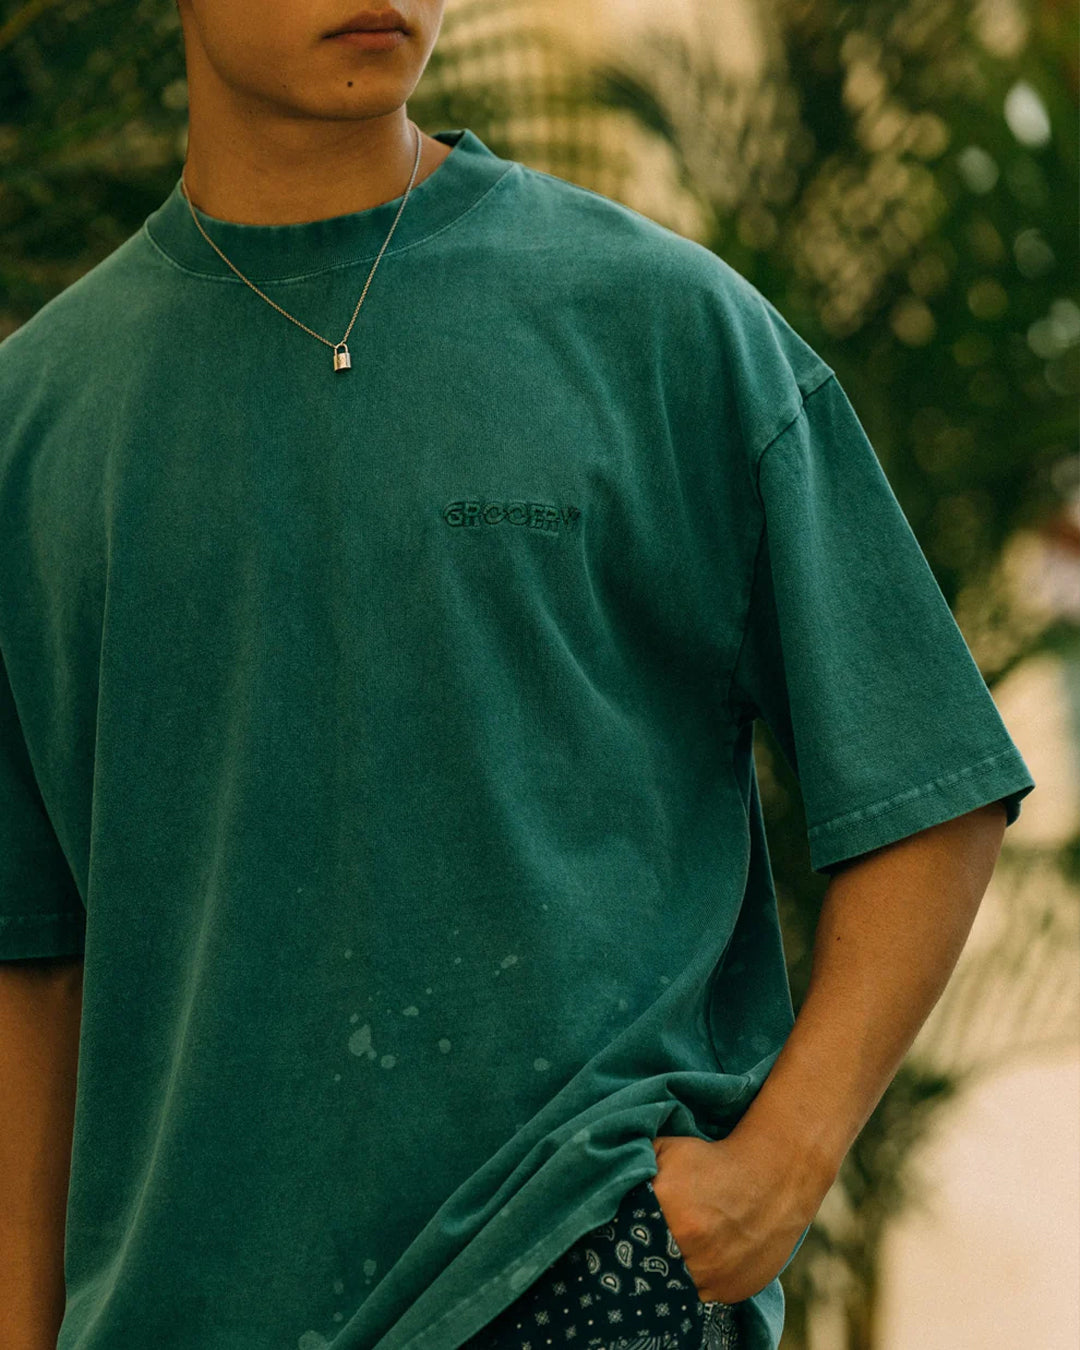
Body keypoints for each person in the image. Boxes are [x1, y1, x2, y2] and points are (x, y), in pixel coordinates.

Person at [0, 2, 1036, 1349]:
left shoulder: (663, 329)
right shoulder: (38, 423)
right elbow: (33, 971)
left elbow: (929, 785)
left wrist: (775, 1171)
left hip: (587, 1281)